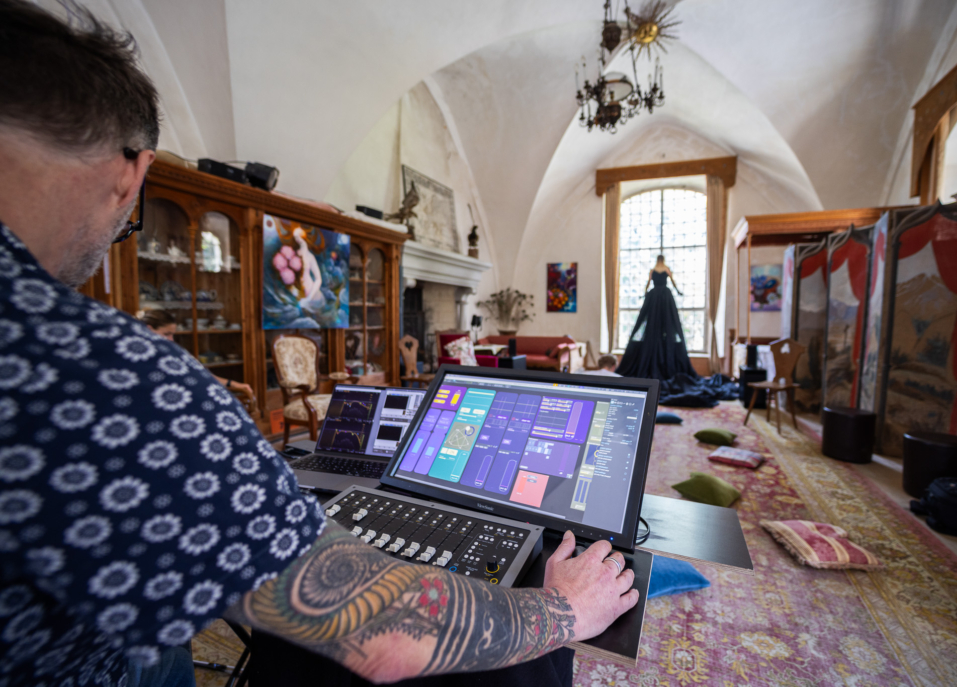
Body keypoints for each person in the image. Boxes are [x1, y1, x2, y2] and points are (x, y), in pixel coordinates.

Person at [0, 3, 637, 686]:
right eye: (134, 222)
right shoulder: (110, 377)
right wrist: (564, 609)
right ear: (133, 172)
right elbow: (386, 631)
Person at [615, 254, 696, 380]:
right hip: (664, 297)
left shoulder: (653, 270)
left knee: (661, 323)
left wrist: (645, 293)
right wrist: (678, 291)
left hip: (655, 297)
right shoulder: (665, 269)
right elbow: (671, 282)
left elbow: (649, 283)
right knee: (657, 323)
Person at [139, 309, 254, 398]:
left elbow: (201, 374)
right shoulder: (138, 356)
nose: (171, 339)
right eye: (166, 334)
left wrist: (232, 383)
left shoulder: (174, 352)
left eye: (172, 334)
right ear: (149, 329)